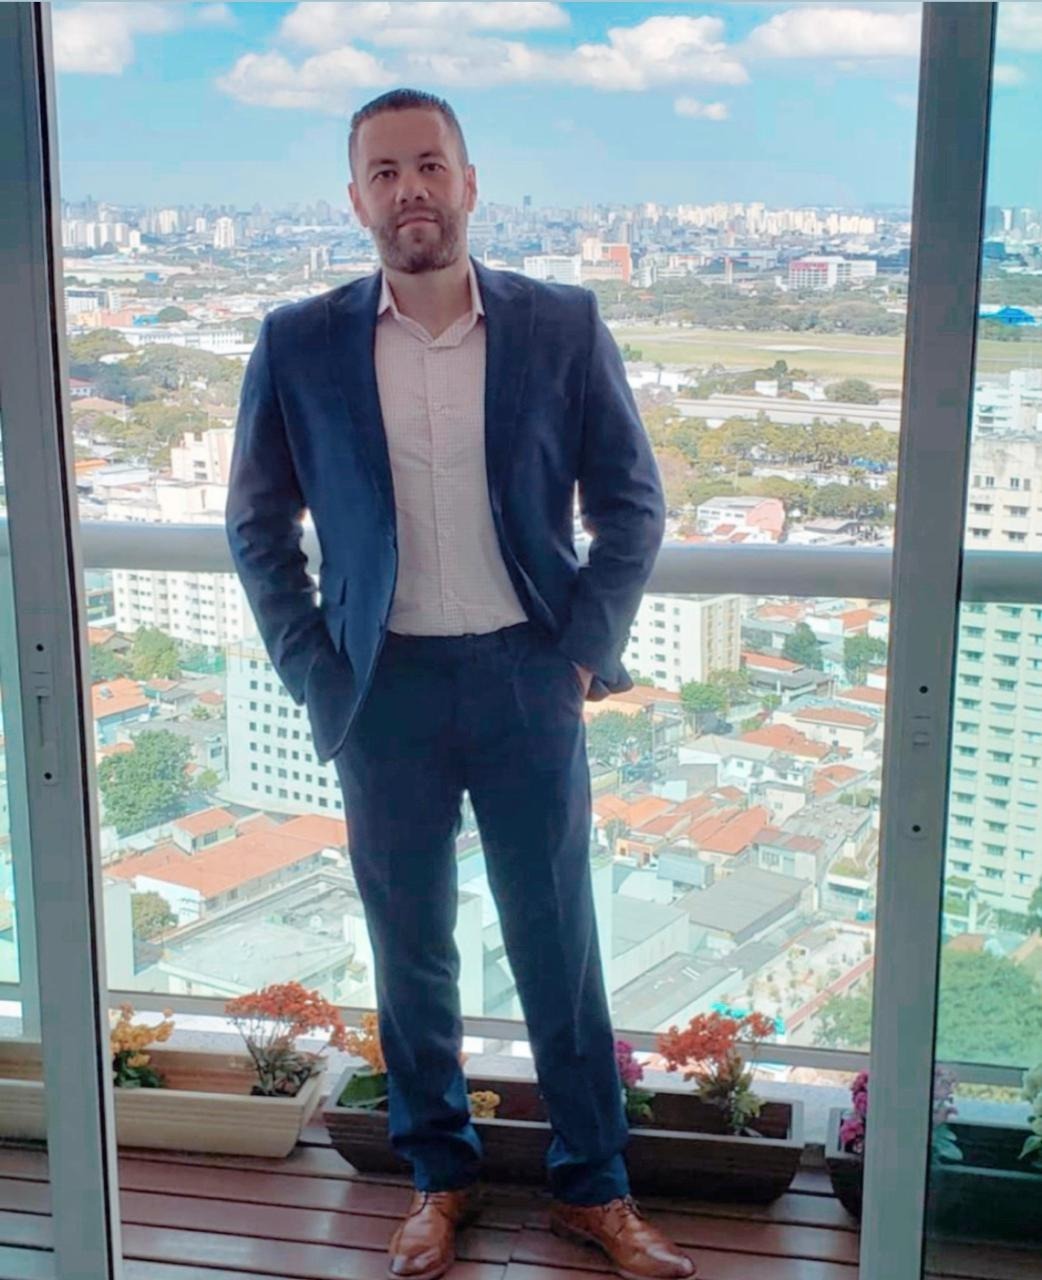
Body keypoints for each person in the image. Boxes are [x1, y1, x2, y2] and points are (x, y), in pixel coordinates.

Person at [226, 87, 695, 1280]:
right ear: (356, 201)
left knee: (557, 939)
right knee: (410, 946)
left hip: (525, 674)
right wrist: (314, 670)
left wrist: (579, 648)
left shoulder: (560, 323)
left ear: (471, 182)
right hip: (380, 689)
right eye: (384, 173)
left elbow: (632, 504)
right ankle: (440, 1176)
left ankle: (595, 1185)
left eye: (429, 165)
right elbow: (258, 527)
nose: (410, 191)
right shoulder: (298, 341)